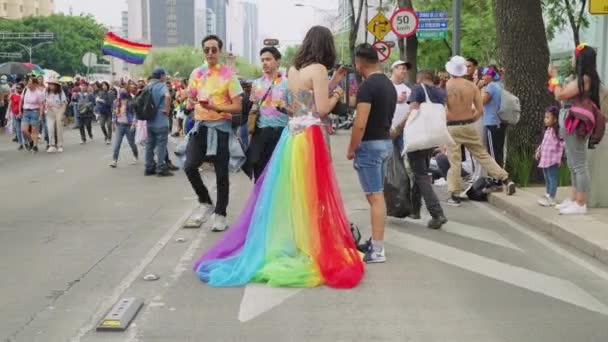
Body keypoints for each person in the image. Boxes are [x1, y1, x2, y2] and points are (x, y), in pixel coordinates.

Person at [193, 26, 362, 288]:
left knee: (293, 193)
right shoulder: (317, 69)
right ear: (325, 46)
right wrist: (338, 93)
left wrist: (334, 82)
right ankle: (311, 246)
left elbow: (301, 101)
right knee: (314, 194)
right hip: (310, 136)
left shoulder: (294, 71)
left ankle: (295, 242)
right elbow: (320, 108)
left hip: (291, 135)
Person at [184, 35, 244, 231]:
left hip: (220, 128)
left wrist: (216, 107)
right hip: (200, 126)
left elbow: (238, 107)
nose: (210, 53)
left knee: (221, 174)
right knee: (190, 166)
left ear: (220, 51)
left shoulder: (229, 75)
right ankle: (205, 202)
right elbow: (191, 96)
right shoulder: (197, 73)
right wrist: (187, 99)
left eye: (214, 49)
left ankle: (220, 214)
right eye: (206, 49)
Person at [444, 56, 516, 206]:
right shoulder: (472, 86)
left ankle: (454, 194)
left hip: (452, 126)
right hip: (469, 125)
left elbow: (443, 109)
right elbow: (480, 109)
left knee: (454, 161)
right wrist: (471, 118)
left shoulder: (447, 86)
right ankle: (505, 178)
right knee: (483, 155)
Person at [348, 43, 396, 264]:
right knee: (378, 196)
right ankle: (375, 242)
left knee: (375, 198)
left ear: (359, 64)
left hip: (370, 146)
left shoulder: (367, 87)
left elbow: (360, 123)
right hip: (386, 144)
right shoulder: (389, 84)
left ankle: (377, 250)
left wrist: (352, 148)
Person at [549, 44, 601, 215]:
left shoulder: (584, 79)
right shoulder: (581, 77)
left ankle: (580, 203)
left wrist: (555, 78)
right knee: (572, 163)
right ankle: (573, 199)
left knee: (578, 163)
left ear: (580, 59)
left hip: (574, 121)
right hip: (569, 118)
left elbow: (561, 95)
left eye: (574, 55)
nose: (572, 58)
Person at [398, 70, 448, 229]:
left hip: (418, 137)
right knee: (421, 170)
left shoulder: (418, 89)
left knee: (420, 174)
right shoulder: (440, 92)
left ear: (419, 79)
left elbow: (413, 111)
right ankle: (415, 209)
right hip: (432, 137)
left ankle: (437, 213)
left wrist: (399, 129)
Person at [246, 46, 290, 182]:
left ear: (278, 62)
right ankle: (260, 200)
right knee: (259, 171)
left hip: (281, 133)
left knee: (279, 174)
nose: (264, 63)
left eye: (268, 59)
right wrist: (250, 128)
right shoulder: (256, 84)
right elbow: (254, 105)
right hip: (261, 132)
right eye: (262, 60)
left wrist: (285, 107)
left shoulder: (287, 83)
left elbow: (299, 109)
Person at [144, 67, 173, 177]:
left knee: (149, 144)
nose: (165, 77)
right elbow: (168, 96)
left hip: (149, 120)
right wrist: (167, 109)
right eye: (164, 75)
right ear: (161, 76)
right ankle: (160, 168)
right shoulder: (161, 85)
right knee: (161, 145)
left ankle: (149, 167)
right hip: (160, 121)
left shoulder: (148, 86)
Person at [535, 106, 564, 207]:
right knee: (547, 178)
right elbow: (543, 143)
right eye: (545, 117)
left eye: (548, 117)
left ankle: (552, 197)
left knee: (552, 178)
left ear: (555, 119)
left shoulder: (558, 132)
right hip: (545, 159)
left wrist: (559, 158)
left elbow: (561, 146)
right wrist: (538, 151)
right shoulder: (547, 130)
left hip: (552, 159)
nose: (545, 120)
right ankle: (548, 195)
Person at [480, 66, 506, 168]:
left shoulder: (491, 86)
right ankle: (500, 174)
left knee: (493, 152)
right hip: (500, 122)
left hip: (492, 123)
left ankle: (497, 176)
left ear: (491, 76)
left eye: (485, 74)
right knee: (499, 150)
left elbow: (482, 101)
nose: (483, 77)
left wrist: (482, 87)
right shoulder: (500, 85)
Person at [109, 83, 139, 168]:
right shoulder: (116, 102)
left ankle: (136, 155)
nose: (122, 91)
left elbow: (135, 113)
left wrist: (134, 123)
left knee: (132, 143)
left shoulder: (131, 101)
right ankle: (114, 160)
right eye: (121, 90)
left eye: (124, 90)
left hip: (129, 125)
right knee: (117, 144)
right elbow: (114, 113)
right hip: (120, 125)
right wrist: (113, 123)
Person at [389, 60, 412, 153]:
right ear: (394, 70)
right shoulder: (386, 85)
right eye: (402, 68)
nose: (405, 71)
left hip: (403, 130)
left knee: (403, 158)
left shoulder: (408, 89)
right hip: (388, 130)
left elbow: (412, 108)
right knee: (388, 159)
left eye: (406, 69)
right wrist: (395, 99)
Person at [20, 77, 45, 152]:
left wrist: (40, 115)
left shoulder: (39, 93)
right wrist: (20, 111)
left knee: (34, 130)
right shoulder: (25, 90)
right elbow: (21, 101)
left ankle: (35, 145)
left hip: (35, 112)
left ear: (35, 84)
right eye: (28, 83)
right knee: (24, 130)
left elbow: (41, 105)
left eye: (31, 83)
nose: (29, 84)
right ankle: (31, 141)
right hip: (26, 112)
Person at [44, 75, 67, 153]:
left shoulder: (61, 92)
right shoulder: (46, 91)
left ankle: (60, 145)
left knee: (59, 128)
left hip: (58, 110)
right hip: (49, 111)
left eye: (52, 84)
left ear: (56, 85)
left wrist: (62, 113)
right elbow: (44, 101)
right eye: (49, 84)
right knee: (50, 128)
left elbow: (64, 103)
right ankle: (52, 145)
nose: (50, 85)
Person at [10, 83, 24, 150]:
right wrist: (8, 114)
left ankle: (26, 142)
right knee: (18, 130)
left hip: (23, 114)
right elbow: (10, 104)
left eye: (20, 88)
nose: (18, 89)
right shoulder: (13, 95)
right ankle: (20, 144)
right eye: (17, 88)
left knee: (23, 130)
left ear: (22, 88)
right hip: (14, 114)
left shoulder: (24, 96)